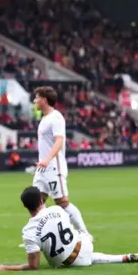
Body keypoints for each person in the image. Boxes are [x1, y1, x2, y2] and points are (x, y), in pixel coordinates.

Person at [0, 186, 138, 271]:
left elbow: (33, 266)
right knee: (83, 244)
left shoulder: (28, 231)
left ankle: (123, 257)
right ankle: (123, 257)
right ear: (41, 200)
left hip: (66, 264)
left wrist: (5, 267)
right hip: (83, 249)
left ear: (25, 206)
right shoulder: (57, 210)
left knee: (79, 254)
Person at [19, 86, 91, 248]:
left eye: (37, 98)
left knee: (62, 202)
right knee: (36, 203)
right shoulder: (45, 118)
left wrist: (47, 160)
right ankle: (37, 237)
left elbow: (59, 142)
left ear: (44, 100)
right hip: (43, 168)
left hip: (53, 167)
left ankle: (85, 233)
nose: (35, 100)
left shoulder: (56, 117)